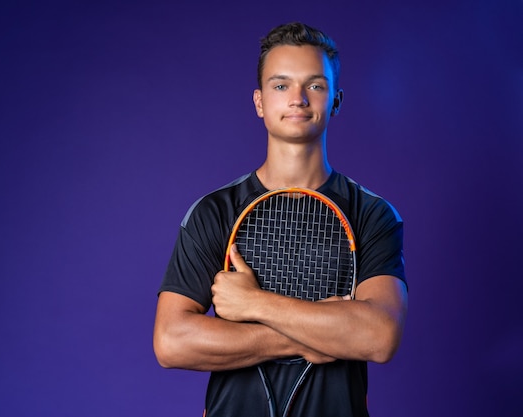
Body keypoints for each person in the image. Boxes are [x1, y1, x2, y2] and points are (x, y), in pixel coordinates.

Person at [153, 22, 408, 417]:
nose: (299, 99)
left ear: (336, 100)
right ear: (259, 102)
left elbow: (379, 336)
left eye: (315, 86)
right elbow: (171, 342)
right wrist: (315, 336)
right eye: (281, 85)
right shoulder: (215, 212)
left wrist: (253, 303)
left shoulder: (373, 215)